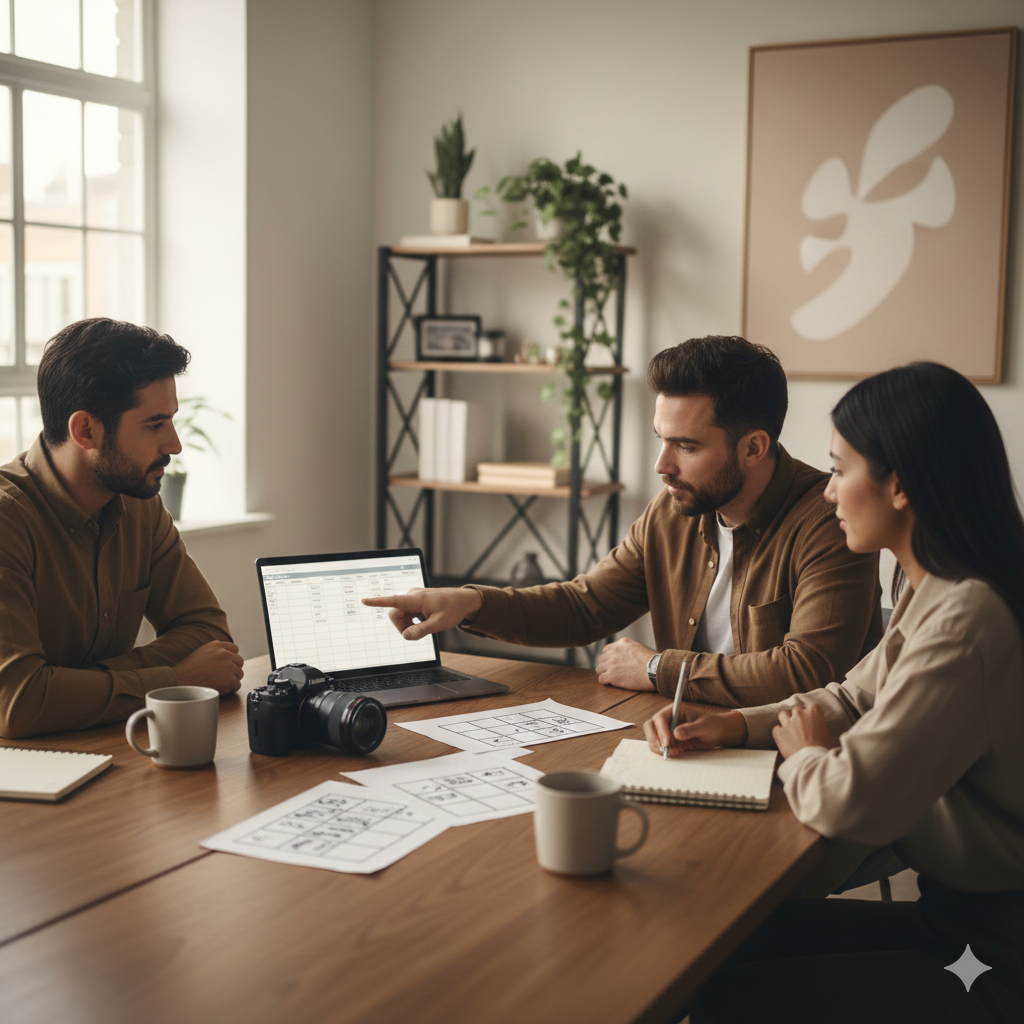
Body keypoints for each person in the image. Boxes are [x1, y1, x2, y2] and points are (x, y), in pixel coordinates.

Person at [645, 362, 1024, 1023]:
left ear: (897, 485)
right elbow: (852, 697)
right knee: (712, 952)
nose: (827, 493)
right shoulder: (938, 588)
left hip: (992, 957)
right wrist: (737, 725)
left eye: (839, 470)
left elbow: (850, 805)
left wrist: (806, 755)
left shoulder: (966, 620)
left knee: (728, 993)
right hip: (956, 922)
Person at [365, 336, 882, 706]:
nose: (662, 465)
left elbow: (807, 672)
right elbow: (584, 606)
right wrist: (471, 603)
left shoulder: (829, 520)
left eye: (686, 446)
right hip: (686, 733)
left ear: (753, 448)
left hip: (797, 759)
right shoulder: (674, 510)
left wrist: (656, 668)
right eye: (662, 439)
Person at [0, 318, 243, 739]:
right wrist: (176, 678)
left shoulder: (139, 504)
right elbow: (19, 703)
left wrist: (75, 685)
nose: (174, 445)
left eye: (172, 421)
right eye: (154, 424)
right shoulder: (8, 521)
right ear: (86, 430)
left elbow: (208, 633)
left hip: (110, 744)